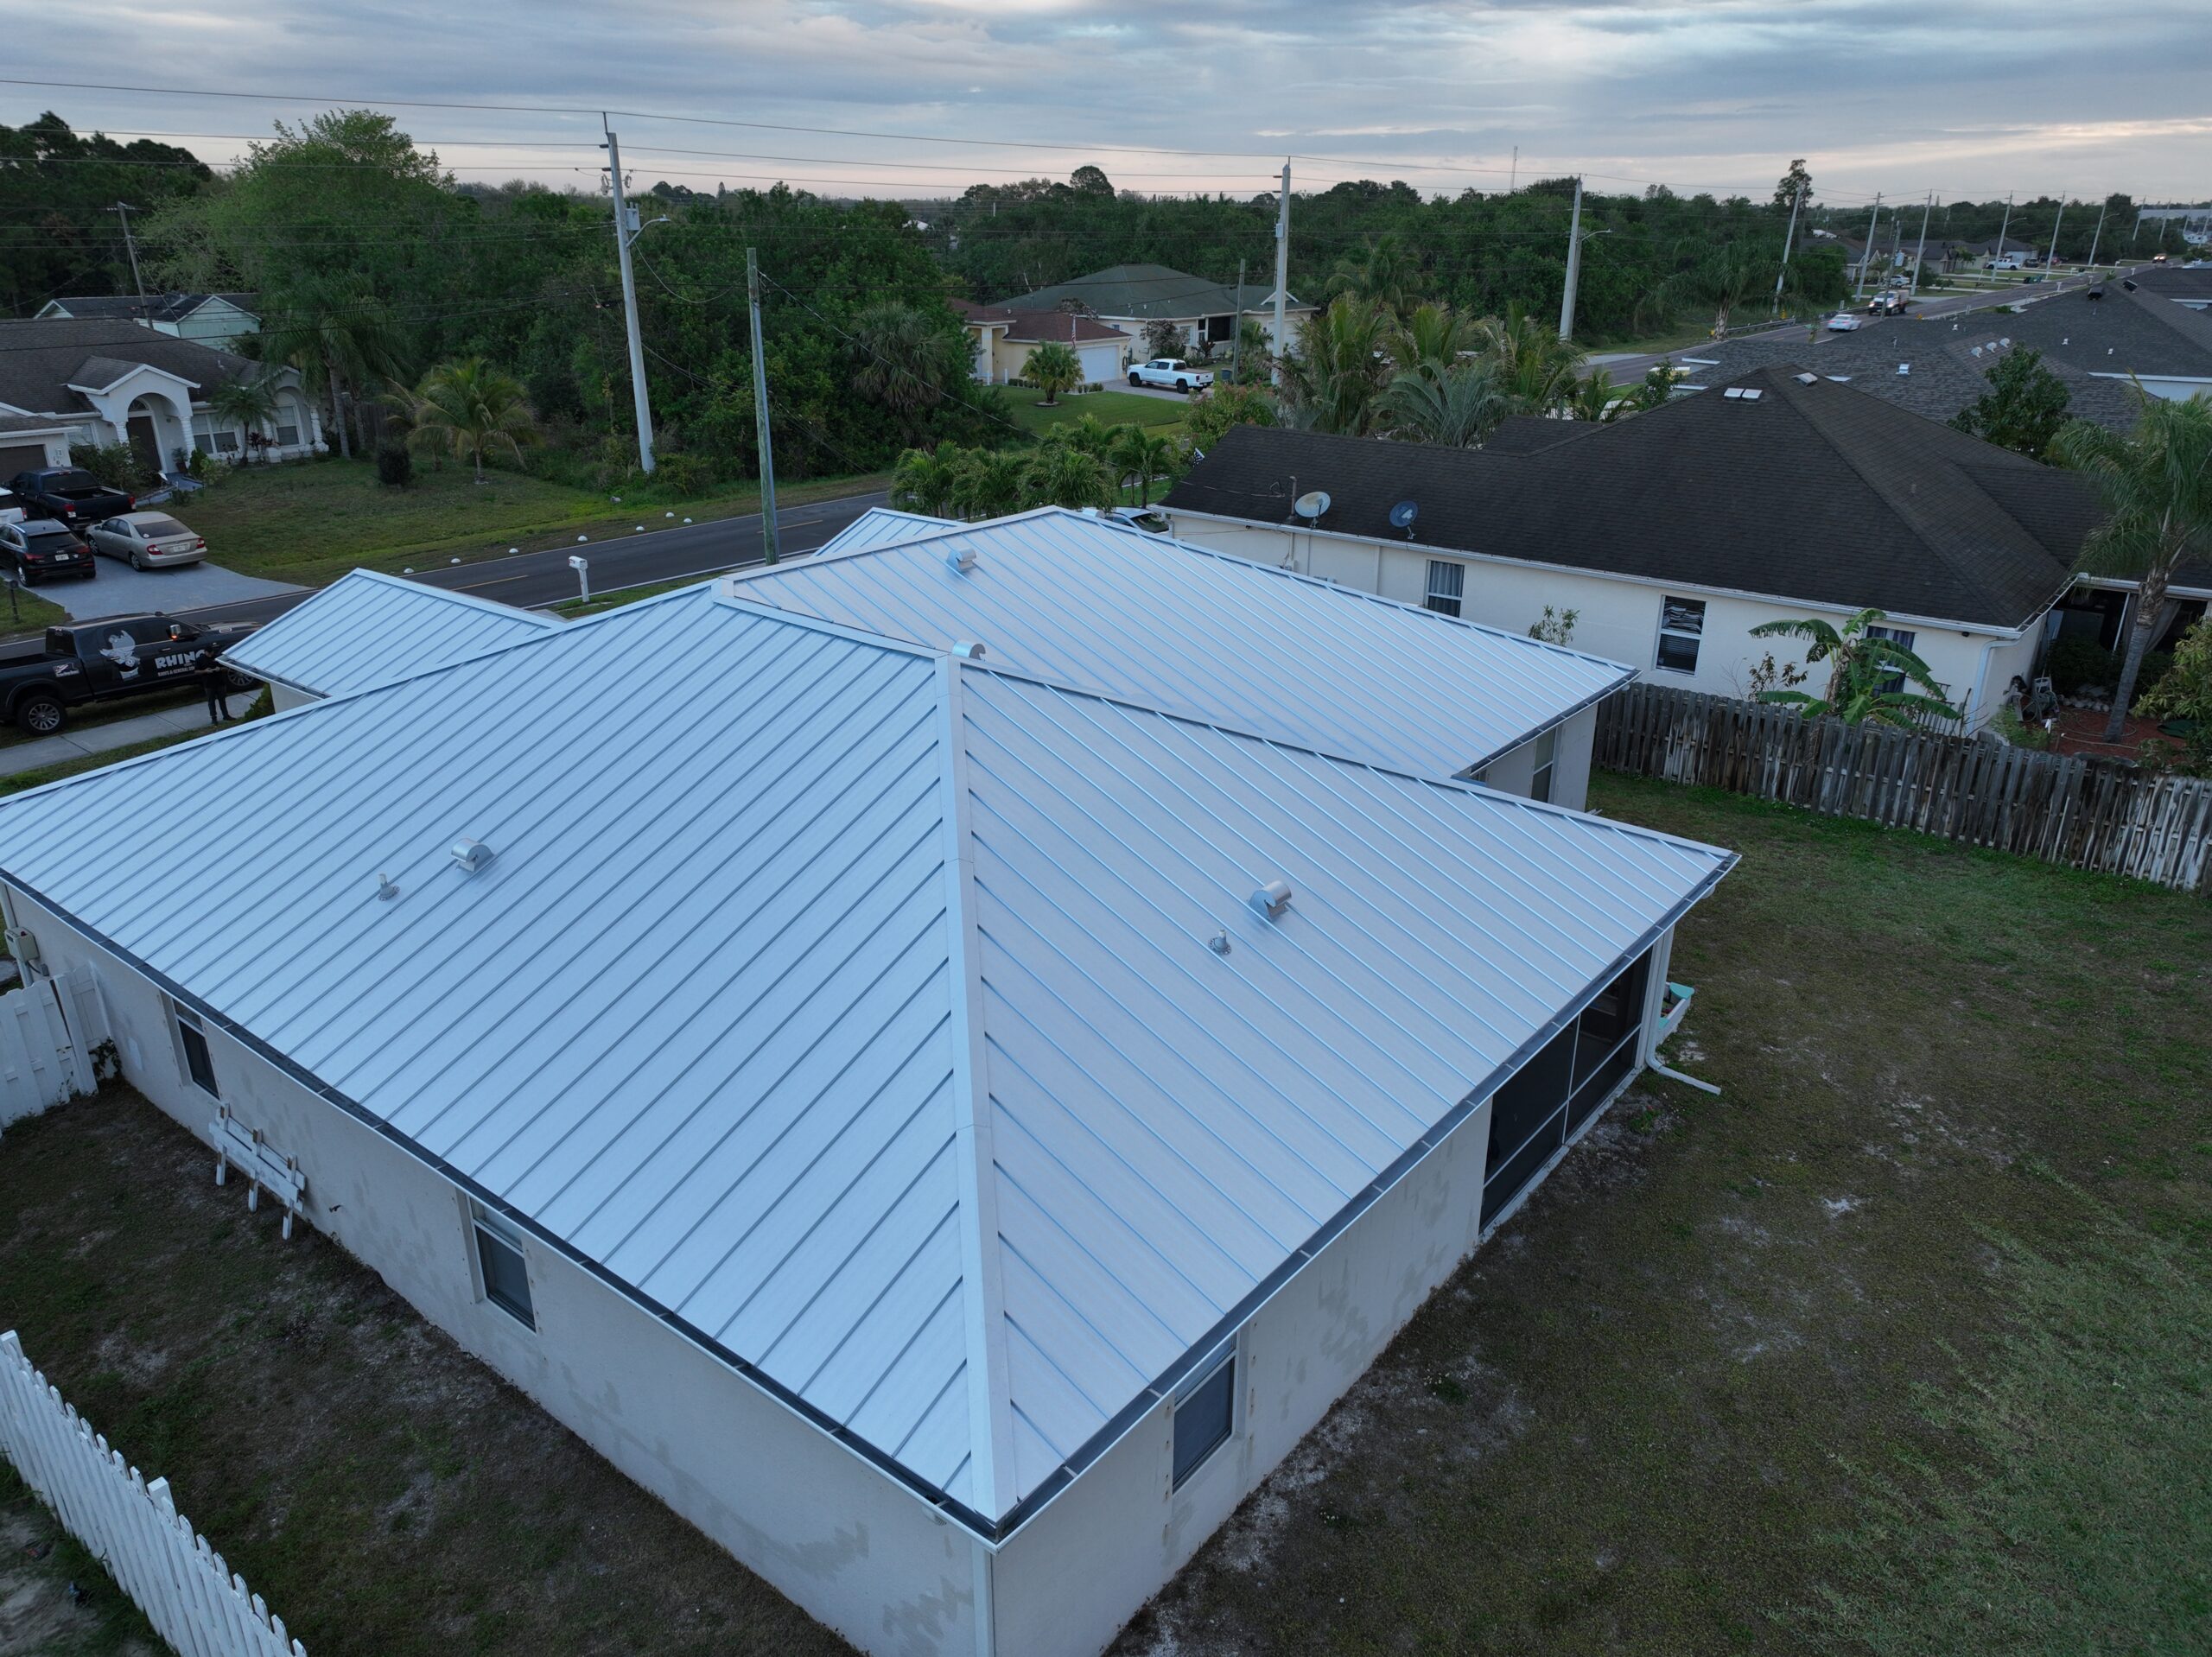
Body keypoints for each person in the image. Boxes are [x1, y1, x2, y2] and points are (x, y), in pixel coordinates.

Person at [199, 660, 233, 725]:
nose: (210, 654)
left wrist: (220, 669)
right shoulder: (201, 659)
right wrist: (205, 671)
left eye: (211, 653)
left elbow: (226, 668)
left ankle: (226, 715)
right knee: (211, 702)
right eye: (208, 653)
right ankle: (214, 718)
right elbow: (196, 671)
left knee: (222, 700)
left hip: (220, 683)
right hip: (209, 685)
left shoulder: (217, 658)